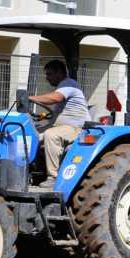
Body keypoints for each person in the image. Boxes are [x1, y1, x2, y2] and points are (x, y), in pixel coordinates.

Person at [29, 60, 90, 188]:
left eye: (49, 74)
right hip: (64, 127)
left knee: (51, 135)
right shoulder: (63, 88)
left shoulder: (69, 84)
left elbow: (55, 98)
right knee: (31, 136)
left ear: (59, 72)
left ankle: (53, 178)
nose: (47, 78)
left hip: (76, 128)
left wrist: (30, 98)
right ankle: (33, 174)